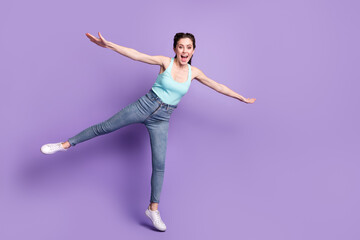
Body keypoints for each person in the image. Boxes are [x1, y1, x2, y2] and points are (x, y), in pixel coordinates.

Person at [40, 32, 256, 231]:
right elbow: (136, 55)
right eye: (181, 47)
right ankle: (64, 145)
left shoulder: (194, 72)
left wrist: (241, 98)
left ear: (193, 51)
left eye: (188, 47)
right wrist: (109, 45)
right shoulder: (165, 62)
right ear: (175, 49)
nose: (184, 51)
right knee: (103, 127)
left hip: (162, 119)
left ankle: (153, 210)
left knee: (159, 165)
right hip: (144, 105)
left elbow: (217, 85)